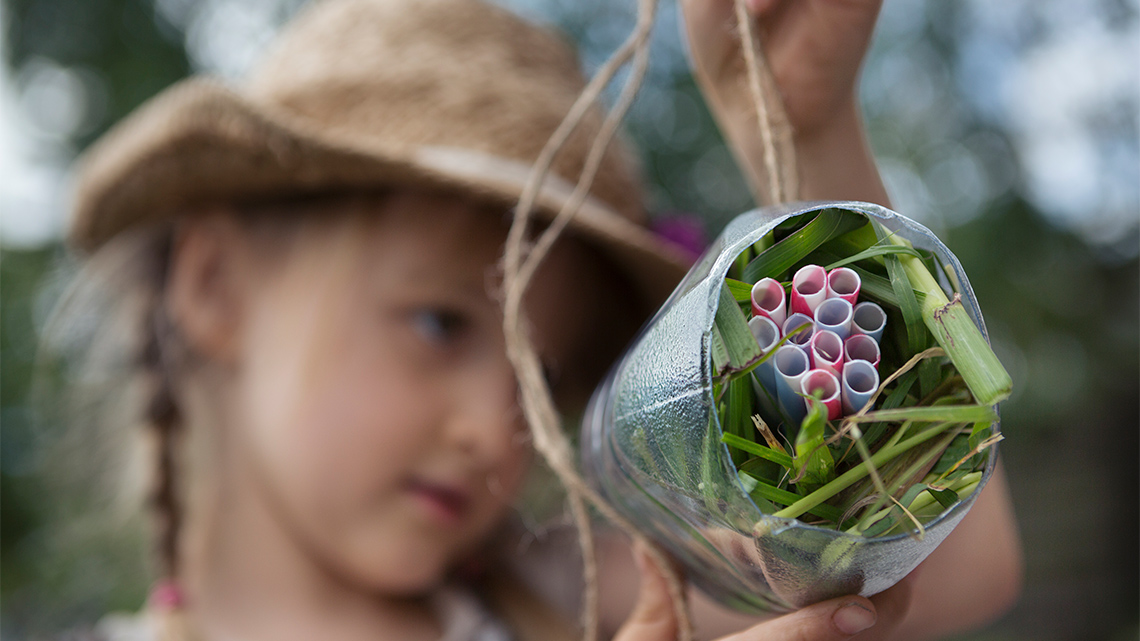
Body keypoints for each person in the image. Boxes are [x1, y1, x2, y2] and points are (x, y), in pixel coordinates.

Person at [54, 0, 1021, 640]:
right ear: (215, 287)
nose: (496, 429)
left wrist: (806, 134)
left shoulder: (571, 587)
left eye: (545, 377)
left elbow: (958, 572)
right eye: (438, 324)